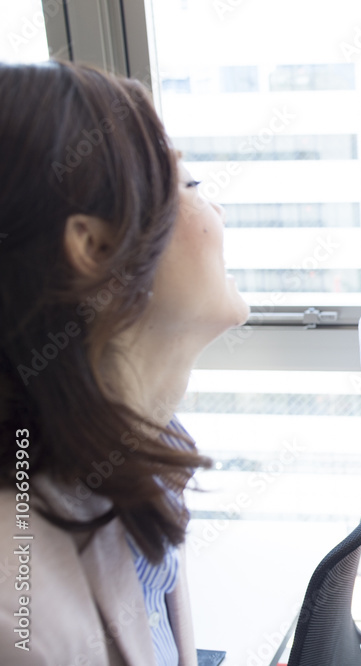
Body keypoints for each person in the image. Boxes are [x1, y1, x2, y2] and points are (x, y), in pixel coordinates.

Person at [0, 62, 249, 664]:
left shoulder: (139, 452)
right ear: (95, 249)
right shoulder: (18, 617)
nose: (219, 216)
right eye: (187, 185)